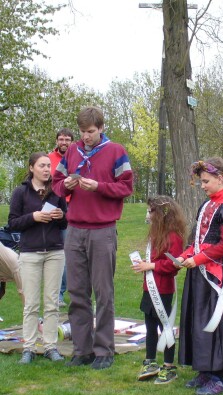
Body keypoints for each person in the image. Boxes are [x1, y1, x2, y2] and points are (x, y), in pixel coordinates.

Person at [52, 106, 133, 370]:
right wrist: (66, 185)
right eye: (82, 132)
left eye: (90, 132)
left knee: (103, 292)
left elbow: (126, 187)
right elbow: (57, 180)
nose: (85, 137)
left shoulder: (116, 151)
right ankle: (81, 350)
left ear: (101, 128)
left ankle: (104, 350)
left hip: (102, 230)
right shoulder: (73, 150)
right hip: (74, 229)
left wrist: (99, 187)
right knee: (77, 292)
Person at [175, 157, 223, 395]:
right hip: (198, 272)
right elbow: (197, 239)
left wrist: (199, 259)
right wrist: (184, 256)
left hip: (216, 277)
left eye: (206, 181)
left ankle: (219, 377)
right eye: (201, 181)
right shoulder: (206, 205)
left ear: (220, 179)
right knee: (198, 318)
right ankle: (204, 369)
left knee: (216, 321)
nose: (202, 185)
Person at [8, 152, 67, 364]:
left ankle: (51, 346)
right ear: (31, 168)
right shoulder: (20, 192)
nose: (46, 169)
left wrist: (61, 217)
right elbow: (12, 223)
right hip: (30, 253)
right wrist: (33, 217)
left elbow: (65, 223)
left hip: (55, 252)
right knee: (31, 304)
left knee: (52, 303)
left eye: (48, 166)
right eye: (41, 165)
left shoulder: (56, 192)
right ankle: (29, 348)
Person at [131, 196, 187, 384]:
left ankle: (169, 366)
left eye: (151, 211)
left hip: (163, 290)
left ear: (162, 214)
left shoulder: (174, 236)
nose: (148, 214)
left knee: (166, 327)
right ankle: (150, 361)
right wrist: (144, 265)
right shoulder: (155, 234)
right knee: (149, 326)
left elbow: (175, 264)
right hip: (149, 287)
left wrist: (152, 266)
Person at [48, 128, 74, 307]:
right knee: (57, 251)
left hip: (74, 207)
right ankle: (56, 294)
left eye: (67, 139)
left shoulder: (77, 158)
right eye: (61, 139)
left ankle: (70, 294)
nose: (64, 142)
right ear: (57, 141)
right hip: (55, 206)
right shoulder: (49, 159)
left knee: (71, 252)